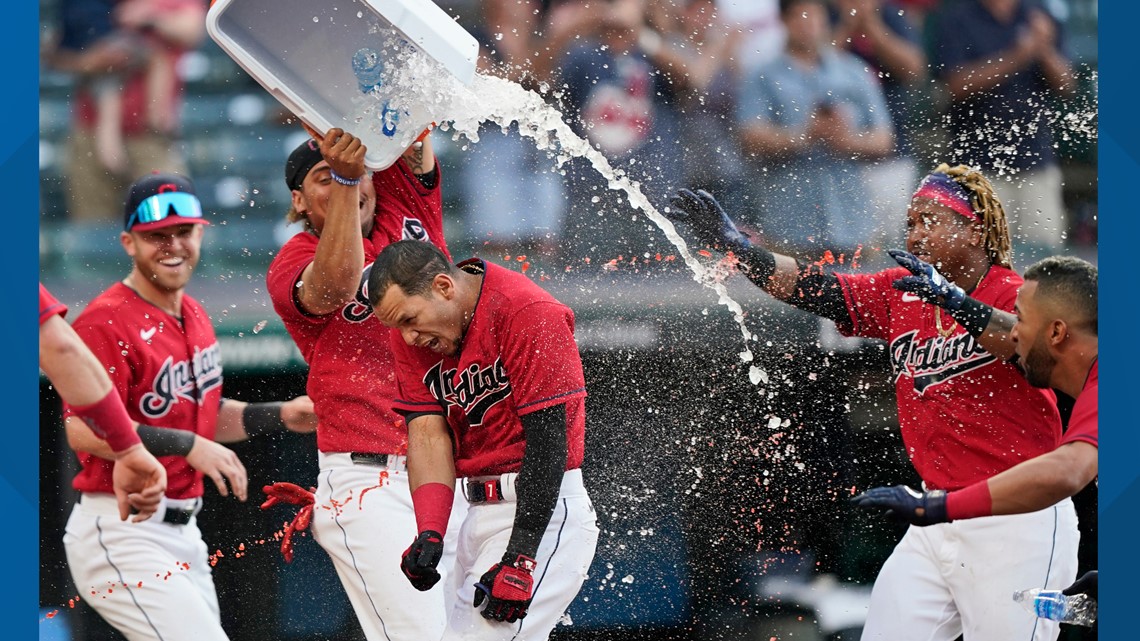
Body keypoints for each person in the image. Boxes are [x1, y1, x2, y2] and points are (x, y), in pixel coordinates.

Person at [663, 163, 1078, 640]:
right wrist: (743, 251)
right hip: (937, 513)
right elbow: (815, 288)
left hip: (1018, 514)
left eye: (931, 221)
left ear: (975, 229)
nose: (916, 234)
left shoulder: (1016, 292)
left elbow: (1038, 352)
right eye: (911, 223)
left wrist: (954, 301)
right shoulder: (903, 291)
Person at [61, 171, 317, 641]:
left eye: (183, 232)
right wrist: (187, 443)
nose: (172, 245)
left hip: (183, 533)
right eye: (156, 236)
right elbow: (80, 429)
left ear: (201, 233)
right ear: (128, 243)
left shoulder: (193, 312)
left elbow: (202, 415)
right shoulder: (105, 320)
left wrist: (280, 414)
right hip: (121, 529)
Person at [265, 126, 465, 641]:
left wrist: (355, 159)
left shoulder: (402, 203)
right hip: (369, 481)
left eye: (352, 169)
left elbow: (408, 122)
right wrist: (347, 180)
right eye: (321, 177)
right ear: (299, 200)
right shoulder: (292, 259)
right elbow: (333, 287)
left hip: (448, 469)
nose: (339, 180)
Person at [366, 239, 599, 641]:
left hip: (540, 512)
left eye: (409, 319)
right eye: (397, 327)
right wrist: (431, 530)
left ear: (443, 286)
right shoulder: (423, 331)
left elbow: (548, 442)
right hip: (474, 513)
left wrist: (522, 556)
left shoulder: (526, 311)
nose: (407, 338)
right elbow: (427, 433)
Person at [851, 254, 1097, 626]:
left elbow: (1065, 472)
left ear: (1057, 333)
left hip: (1016, 530)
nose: (1011, 333)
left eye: (1021, 321)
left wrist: (934, 508)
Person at [735, 0, 895, 258]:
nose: (807, 23)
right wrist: (804, 136)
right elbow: (750, 138)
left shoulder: (853, 71)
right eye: (799, 16)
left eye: (813, 15)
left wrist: (846, 140)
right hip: (789, 222)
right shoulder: (763, 75)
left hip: (852, 221)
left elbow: (883, 140)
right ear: (785, 22)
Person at [929, 0, 1076, 264]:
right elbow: (956, 85)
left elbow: (1066, 84)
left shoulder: (1040, 14)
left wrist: (1043, 49)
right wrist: (1017, 56)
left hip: (1035, 159)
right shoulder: (957, 18)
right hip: (978, 164)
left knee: (1046, 263)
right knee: (982, 261)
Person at [53, 0, 206, 222]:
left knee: (170, 224)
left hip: (150, 137)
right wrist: (88, 62)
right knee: (95, 230)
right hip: (90, 132)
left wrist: (151, 17)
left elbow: (193, 30)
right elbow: (58, 51)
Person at [40, 282, 167, 522]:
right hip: (122, 521)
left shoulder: (192, 312)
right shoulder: (105, 318)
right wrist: (128, 447)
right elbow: (61, 347)